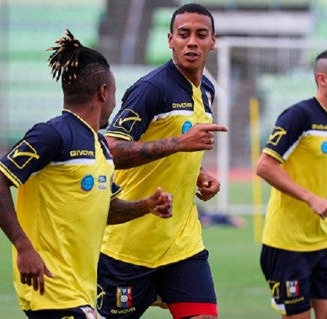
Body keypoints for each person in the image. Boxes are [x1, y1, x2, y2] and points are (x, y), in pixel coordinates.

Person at [0, 30, 173, 319]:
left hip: (80, 291)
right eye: (115, 94)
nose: (115, 103)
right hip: (51, 289)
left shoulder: (101, 146)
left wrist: (146, 206)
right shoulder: (52, 134)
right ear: (104, 92)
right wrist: (24, 247)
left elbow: (107, 210)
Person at [96, 3, 228, 319]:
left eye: (201, 34)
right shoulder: (151, 88)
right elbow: (110, 150)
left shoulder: (206, 89)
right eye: (184, 34)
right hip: (128, 246)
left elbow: (181, 150)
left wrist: (199, 174)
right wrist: (179, 143)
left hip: (183, 244)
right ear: (170, 39)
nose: (192, 42)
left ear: (213, 41)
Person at [255, 49, 327, 319]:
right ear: (322, 79)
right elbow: (265, 166)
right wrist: (310, 198)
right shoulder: (298, 116)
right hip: (287, 243)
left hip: (324, 240)